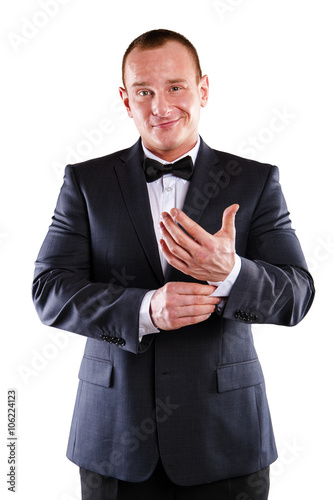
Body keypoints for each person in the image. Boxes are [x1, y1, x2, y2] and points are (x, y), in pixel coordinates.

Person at [32, 29, 315, 500]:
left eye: (176, 87)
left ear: (203, 89)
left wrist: (230, 273)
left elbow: (298, 295)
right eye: (144, 91)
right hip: (112, 442)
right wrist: (145, 309)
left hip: (226, 440)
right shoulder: (85, 182)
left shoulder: (257, 180)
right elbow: (49, 290)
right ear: (126, 100)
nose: (160, 106)